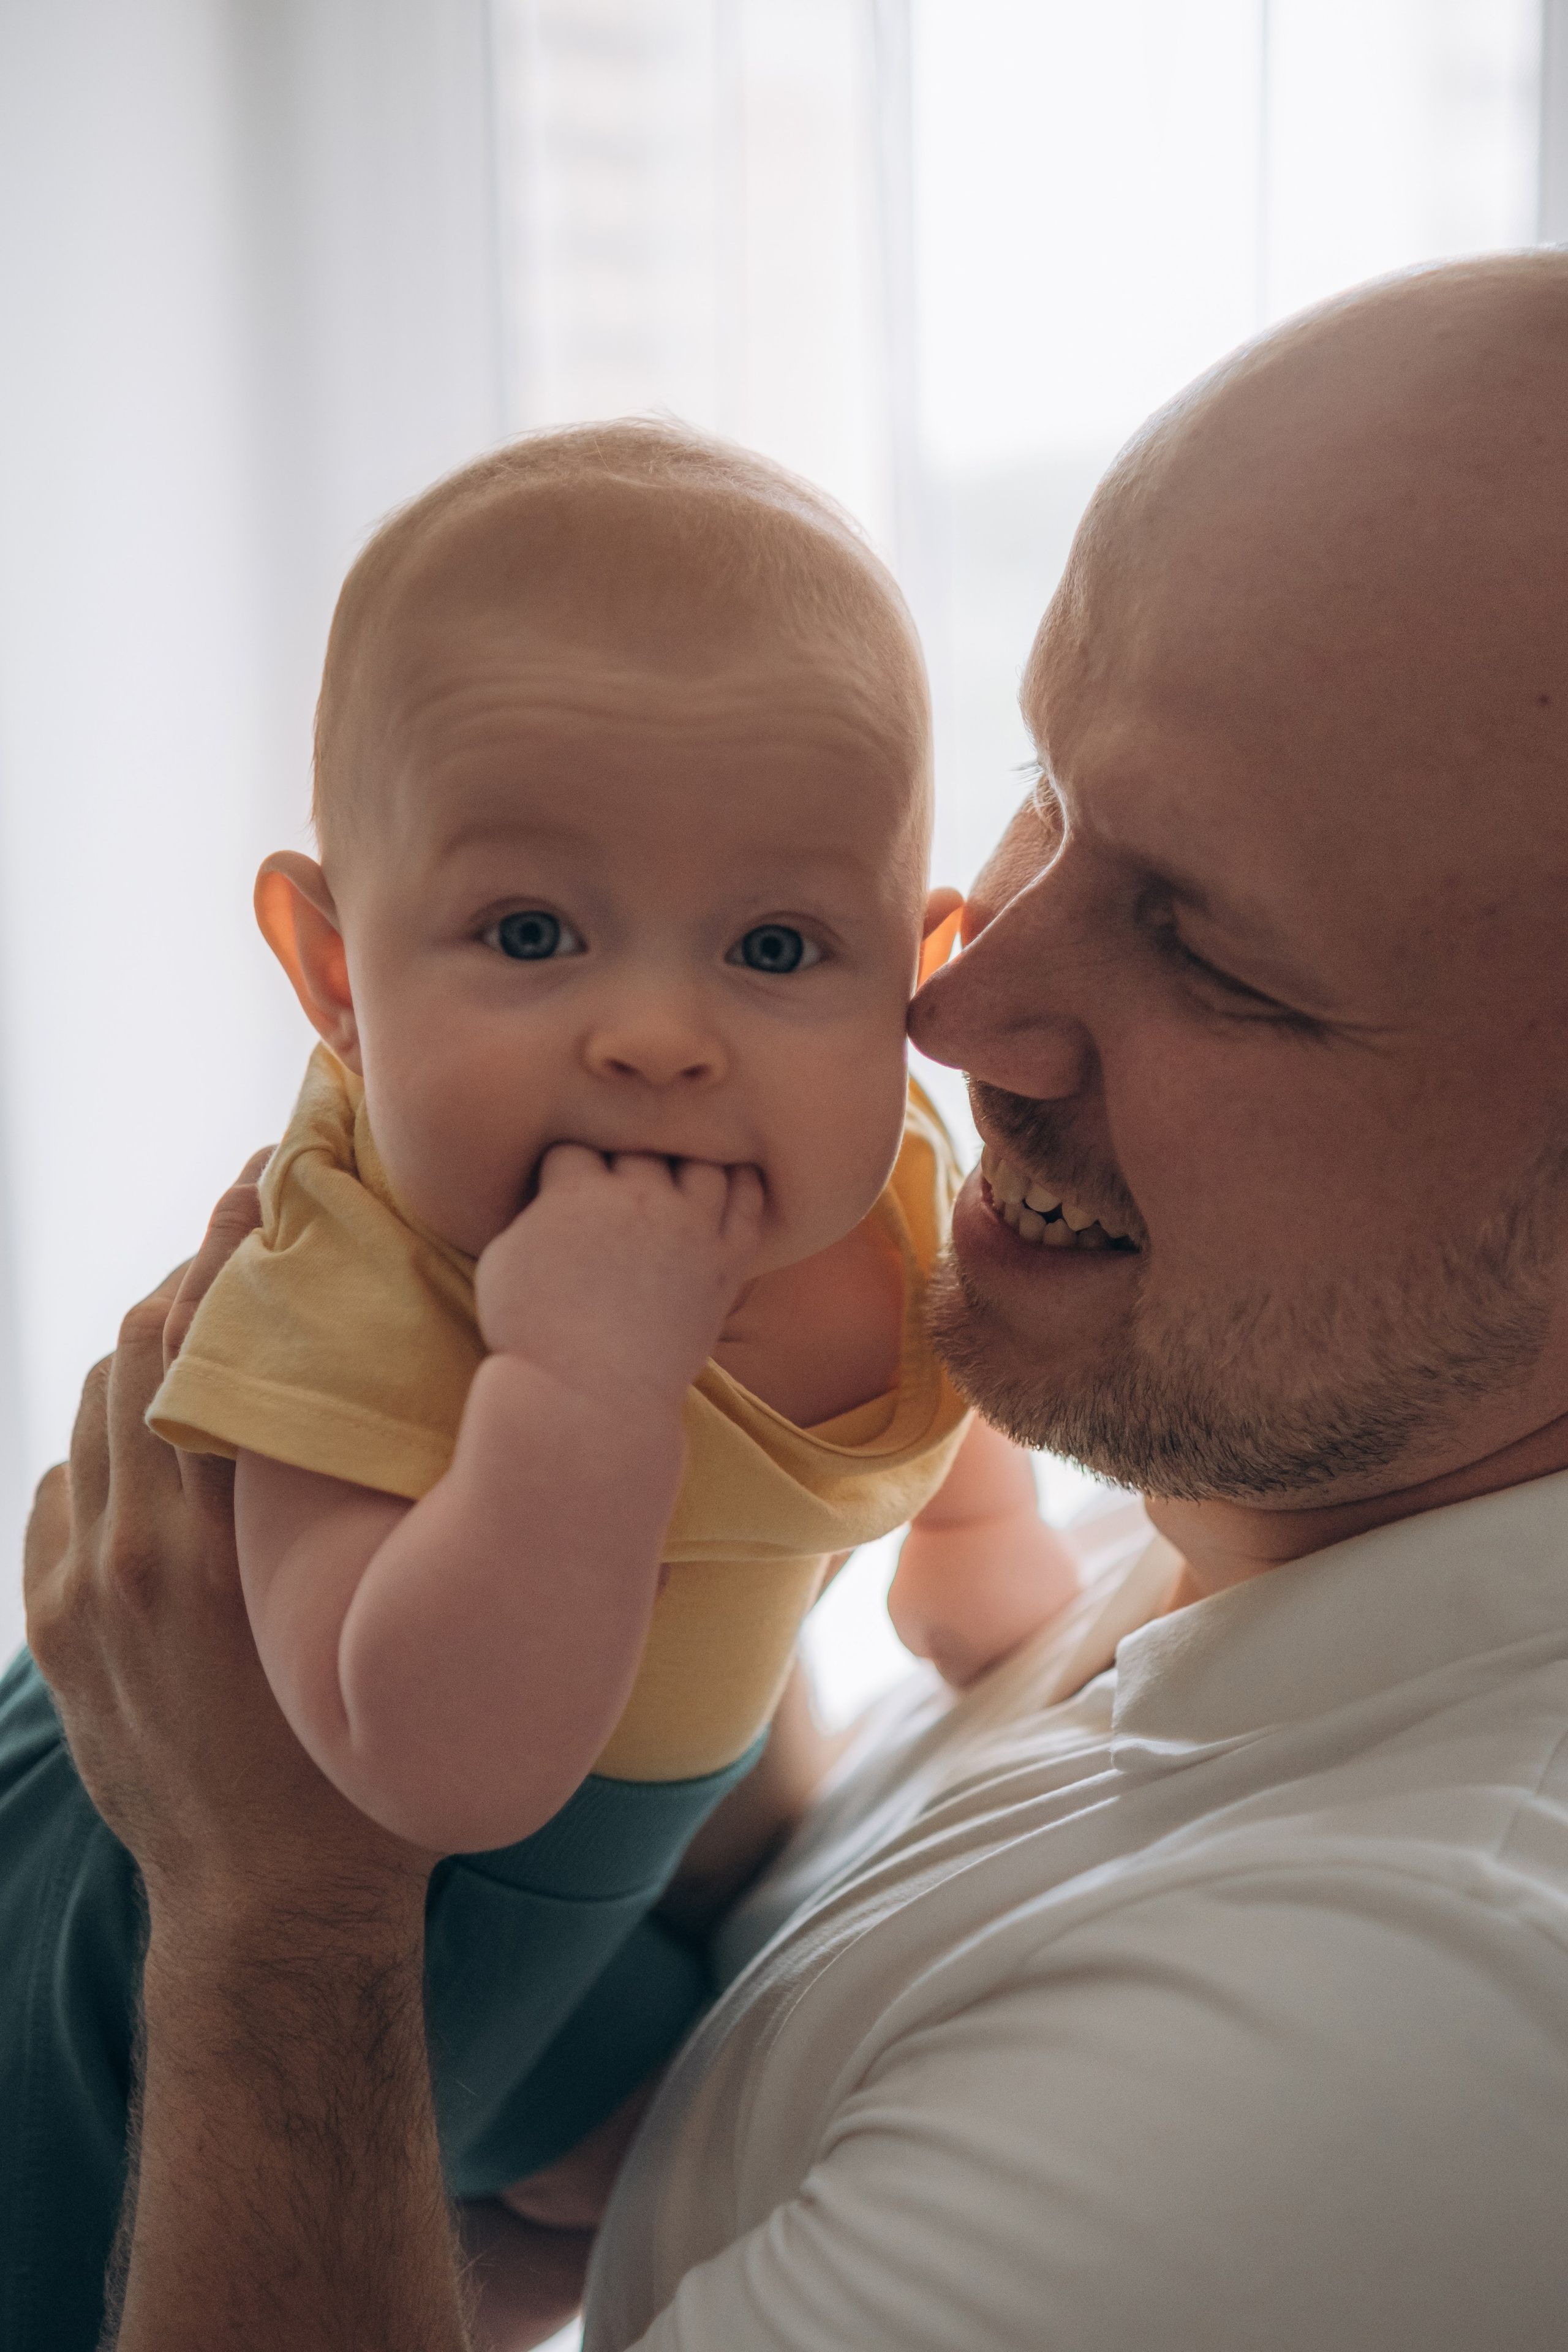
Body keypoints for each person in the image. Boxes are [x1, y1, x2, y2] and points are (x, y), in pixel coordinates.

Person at [24, 251, 1568, 2348]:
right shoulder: (1254, 1412)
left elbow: (400, 1819)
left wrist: (280, 1938)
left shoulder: (1365, 2054)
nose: (958, 1004)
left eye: (1213, 954)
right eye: (1051, 793)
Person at [0, 424, 1087, 2343]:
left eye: (773, 946)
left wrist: (983, 1578)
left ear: (913, 972)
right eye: (530, 933)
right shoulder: (352, 1285)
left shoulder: (879, 1172)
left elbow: (939, 1387)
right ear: (336, 973)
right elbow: (415, 1768)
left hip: (572, 1907)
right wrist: (580, 1378)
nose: (661, 1035)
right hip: (188, 1946)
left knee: (626, 2188)